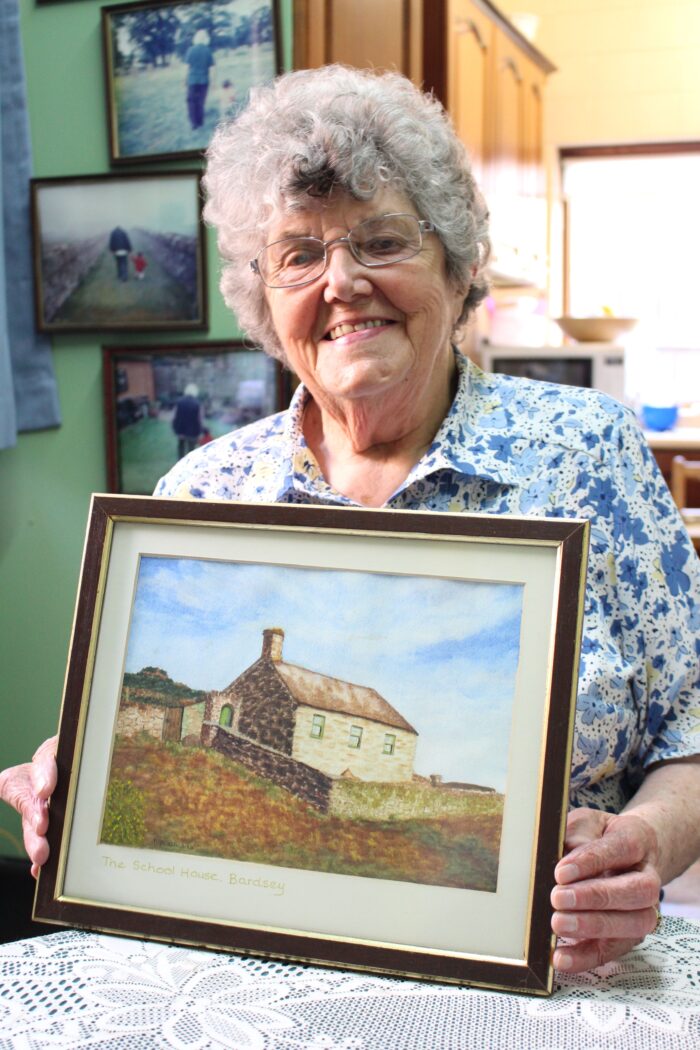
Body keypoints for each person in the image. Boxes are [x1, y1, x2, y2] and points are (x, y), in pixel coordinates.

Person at [2, 65, 699, 976]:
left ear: (456, 266)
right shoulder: (202, 492)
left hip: (547, 982)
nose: (342, 283)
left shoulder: (591, 454)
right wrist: (78, 773)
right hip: (241, 979)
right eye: (299, 255)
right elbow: (122, 727)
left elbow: (691, 727)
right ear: (265, 298)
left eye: (381, 241)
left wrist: (648, 841)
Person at [184, 28, 214, 131]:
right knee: (201, 101)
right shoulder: (207, 50)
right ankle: (200, 122)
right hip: (204, 81)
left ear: (196, 38)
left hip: (192, 80)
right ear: (205, 38)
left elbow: (187, 67)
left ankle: (194, 123)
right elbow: (212, 68)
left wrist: (184, 80)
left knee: (191, 101)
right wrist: (213, 81)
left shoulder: (190, 50)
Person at [172, 383, 203, 458]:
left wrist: (175, 427)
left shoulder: (179, 402)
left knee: (181, 445)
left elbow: (174, 416)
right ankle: (189, 461)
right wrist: (200, 430)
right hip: (192, 430)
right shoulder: (197, 404)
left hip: (181, 429)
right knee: (191, 448)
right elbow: (200, 418)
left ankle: (180, 461)